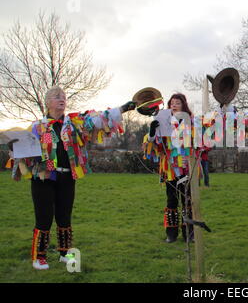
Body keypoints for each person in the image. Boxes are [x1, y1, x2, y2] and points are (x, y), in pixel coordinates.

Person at [6, 86, 135, 270]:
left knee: (64, 216)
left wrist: (122, 108)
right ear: (48, 102)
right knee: (44, 217)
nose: (62, 99)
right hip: (43, 177)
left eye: (64, 97)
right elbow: (22, 152)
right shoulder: (36, 127)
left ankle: (65, 253)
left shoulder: (74, 123)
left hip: (67, 176)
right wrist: (14, 147)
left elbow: (98, 119)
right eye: (57, 97)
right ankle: (39, 256)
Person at [143, 93, 196, 243]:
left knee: (187, 200)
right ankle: (171, 234)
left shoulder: (190, 121)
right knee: (171, 200)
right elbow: (155, 144)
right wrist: (153, 131)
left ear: (183, 105)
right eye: (172, 103)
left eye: (177, 103)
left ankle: (189, 233)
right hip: (170, 168)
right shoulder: (163, 121)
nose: (174, 105)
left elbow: (197, 140)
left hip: (185, 166)